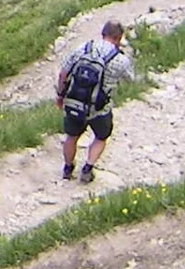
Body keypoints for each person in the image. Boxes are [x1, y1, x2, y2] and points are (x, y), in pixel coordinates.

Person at [56, 20, 134, 183]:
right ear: (119, 37)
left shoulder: (83, 48)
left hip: (75, 102)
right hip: (100, 108)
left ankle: (68, 168)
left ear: (102, 34)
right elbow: (130, 79)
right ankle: (88, 168)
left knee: (72, 136)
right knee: (101, 136)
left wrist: (60, 96)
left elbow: (64, 72)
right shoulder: (120, 59)